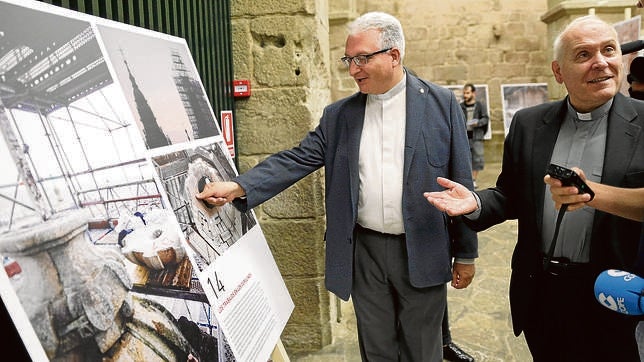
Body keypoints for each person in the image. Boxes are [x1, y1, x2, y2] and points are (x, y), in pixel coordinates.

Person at [196, 11, 478, 362]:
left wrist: (466, 252)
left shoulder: (442, 104)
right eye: (349, 59)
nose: (353, 69)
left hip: (422, 245)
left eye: (362, 58)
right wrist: (239, 186)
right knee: (376, 349)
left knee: (424, 349)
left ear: (394, 54)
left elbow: (462, 183)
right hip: (365, 250)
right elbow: (298, 158)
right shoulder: (340, 115)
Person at [423, 15, 643, 361]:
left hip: (614, 293)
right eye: (584, 55)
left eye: (609, 50)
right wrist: (475, 203)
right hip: (544, 292)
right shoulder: (529, 124)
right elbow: (510, 195)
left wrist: (594, 195)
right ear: (559, 72)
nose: (600, 62)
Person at [460, 84, 489, 189]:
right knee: (465, 158)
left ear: (473, 93)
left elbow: (485, 119)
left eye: (467, 93)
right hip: (464, 137)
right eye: (464, 93)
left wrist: (478, 123)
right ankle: (466, 179)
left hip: (477, 136)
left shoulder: (480, 105)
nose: (465, 95)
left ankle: (473, 180)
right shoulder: (461, 106)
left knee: (477, 159)